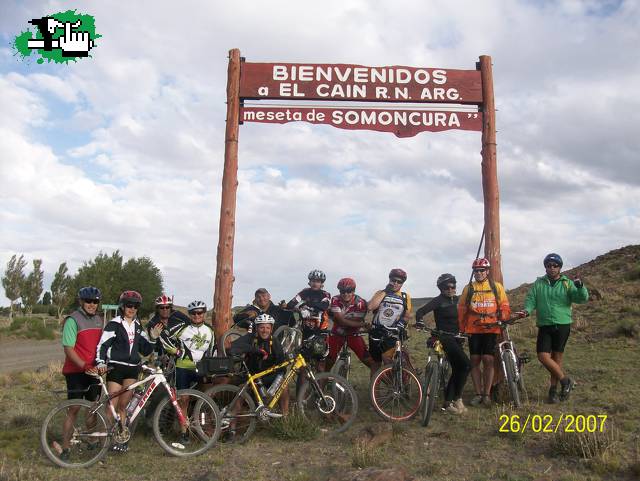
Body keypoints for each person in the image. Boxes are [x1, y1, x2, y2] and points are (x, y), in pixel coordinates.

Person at [516, 253, 588, 403]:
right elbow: (531, 299)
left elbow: (581, 298)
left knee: (557, 358)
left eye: (555, 265)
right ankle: (565, 381)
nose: (552, 268)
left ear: (560, 267)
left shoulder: (567, 283)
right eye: (549, 265)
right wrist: (527, 310)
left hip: (562, 324)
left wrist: (580, 286)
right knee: (543, 356)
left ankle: (553, 391)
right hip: (545, 324)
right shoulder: (539, 283)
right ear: (545, 267)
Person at [96, 290, 162, 452]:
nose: (132, 308)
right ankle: (103, 441)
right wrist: (99, 362)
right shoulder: (114, 324)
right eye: (129, 305)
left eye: (135, 306)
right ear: (122, 306)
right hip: (116, 368)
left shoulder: (138, 327)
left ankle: (120, 439)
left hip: (132, 370)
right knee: (112, 405)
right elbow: (102, 345)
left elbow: (146, 351)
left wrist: (153, 338)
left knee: (123, 406)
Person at [60, 286, 105, 460]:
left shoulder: (99, 320)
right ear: (81, 301)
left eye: (95, 301)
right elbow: (68, 349)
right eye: (88, 301)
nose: (92, 304)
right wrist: (84, 365)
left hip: (93, 371)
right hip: (75, 371)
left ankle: (90, 440)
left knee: (93, 408)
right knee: (74, 409)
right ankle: (65, 447)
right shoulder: (73, 320)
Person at [458, 258, 511, 407]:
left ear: (487, 271)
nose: (479, 273)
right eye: (476, 270)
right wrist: (461, 328)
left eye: (482, 270)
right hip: (473, 329)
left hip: (491, 328)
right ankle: (477, 393)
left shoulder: (496, 287)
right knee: (474, 360)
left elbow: (504, 305)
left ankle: (486, 394)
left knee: (488, 360)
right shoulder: (468, 289)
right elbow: (462, 309)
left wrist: (504, 317)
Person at [415, 274, 471, 414]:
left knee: (459, 368)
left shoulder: (459, 300)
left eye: (453, 286)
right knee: (466, 364)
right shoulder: (438, 301)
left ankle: (450, 401)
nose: (451, 289)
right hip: (444, 337)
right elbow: (420, 311)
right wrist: (420, 322)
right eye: (447, 287)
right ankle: (456, 399)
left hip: (458, 338)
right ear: (441, 288)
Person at [229, 314, 289, 415]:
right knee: (241, 392)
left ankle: (285, 417)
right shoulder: (250, 338)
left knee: (284, 387)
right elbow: (232, 348)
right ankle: (232, 425)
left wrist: (278, 379)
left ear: (271, 329)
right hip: (252, 376)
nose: (264, 330)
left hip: (269, 375)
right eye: (261, 327)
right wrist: (255, 350)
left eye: (267, 328)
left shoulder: (274, 341)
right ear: (257, 328)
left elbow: (281, 364)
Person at [160, 300, 215, 391]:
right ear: (189, 314)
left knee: (207, 394)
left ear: (204, 313)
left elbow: (212, 349)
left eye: (199, 312)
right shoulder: (182, 327)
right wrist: (175, 351)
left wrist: (210, 368)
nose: (196, 315)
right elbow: (163, 336)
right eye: (193, 313)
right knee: (184, 398)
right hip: (183, 367)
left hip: (202, 368)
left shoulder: (210, 330)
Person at [326, 278, 376, 375]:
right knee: (329, 361)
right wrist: (363, 324)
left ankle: (386, 382)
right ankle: (320, 387)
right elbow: (342, 321)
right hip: (337, 333)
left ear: (353, 291)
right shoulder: (335, 299)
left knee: (368, 360)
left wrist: (362, 324)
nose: (345, 294)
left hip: (353, 334)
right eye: (342, 291)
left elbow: (354, 321)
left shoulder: (361, 304)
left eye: (349, 291)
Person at [368, 268, 413, 365]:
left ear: (402, 283)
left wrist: (401, 325)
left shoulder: (405, 296)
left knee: (387, 360)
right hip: (376, 331)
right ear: (389, 280)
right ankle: (376, 380)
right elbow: (371, 307)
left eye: (399, 281)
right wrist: (385, 291)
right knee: (375, 363)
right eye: (393, 280)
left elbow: (406, 316)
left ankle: (393, 379)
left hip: (393, 333)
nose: (396, 283)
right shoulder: (380, 293)